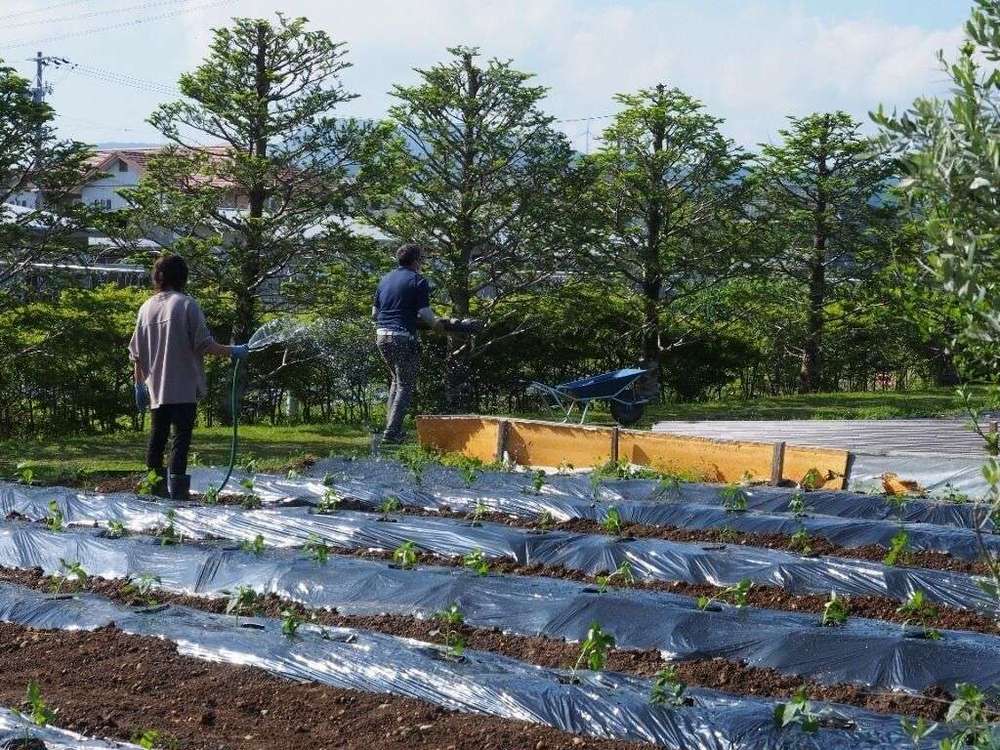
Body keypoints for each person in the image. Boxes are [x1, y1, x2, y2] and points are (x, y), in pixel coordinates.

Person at [129, 254, 248, 500]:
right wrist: (233, 352)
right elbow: (205, 345)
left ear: (158, 277)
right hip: (182, 387)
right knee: (180, 441)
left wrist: (139, 385)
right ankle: (178, 496)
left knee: (157, 438)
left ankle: (155, 492)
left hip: (156, 390)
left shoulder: (146, 307)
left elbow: (136, 354)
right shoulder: (186, 304)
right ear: (183, 278)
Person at [372, 243, 479, 445]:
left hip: (381, 337)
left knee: (397, 381)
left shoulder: (384, 279)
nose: (422, 263)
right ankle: (392, 433)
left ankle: (391, 429)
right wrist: (437, 326)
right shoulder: (418, 281)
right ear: (415, 261)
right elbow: (425, 313)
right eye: (422, 259)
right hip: (402, 337)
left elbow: (375, 314)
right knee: (405, 385)